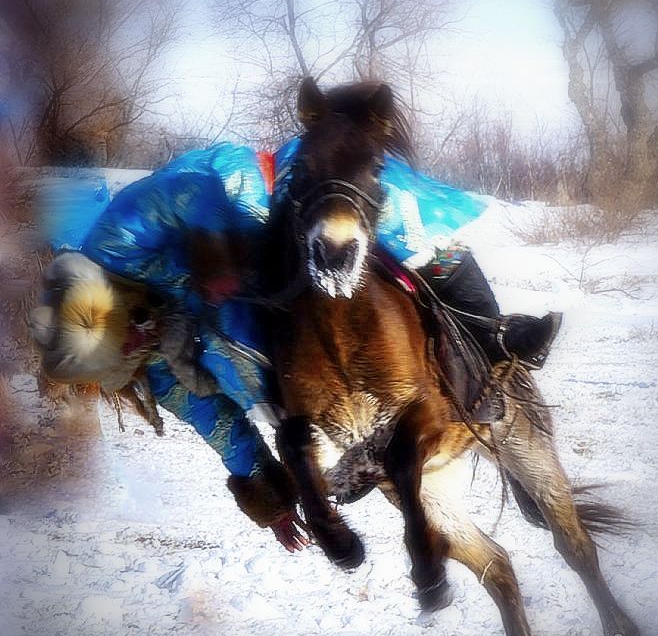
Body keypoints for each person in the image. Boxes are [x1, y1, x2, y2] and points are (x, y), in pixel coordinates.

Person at [32, 133, 560, 551]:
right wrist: (273, 498)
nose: (139, 347)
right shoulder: (143, 358)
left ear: (111, 307)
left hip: (268, 193)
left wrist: (217, 248)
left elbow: (195, 183)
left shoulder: (116, 241)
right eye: (129, 356)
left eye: (129, 336)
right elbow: (211, 419)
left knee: (413, 238)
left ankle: (495, 338)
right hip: (258, 286)